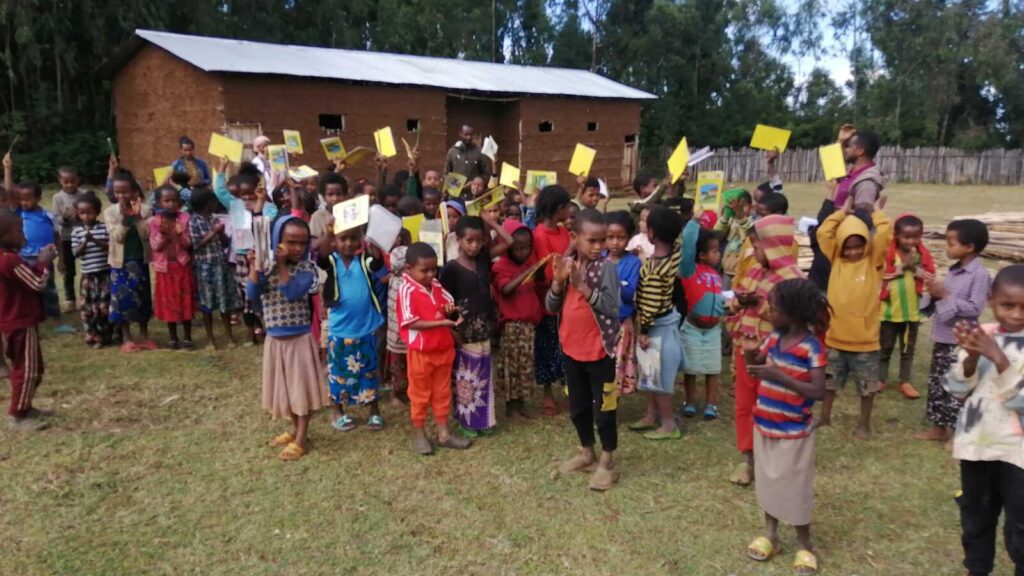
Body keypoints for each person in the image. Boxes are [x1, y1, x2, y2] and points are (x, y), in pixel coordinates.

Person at [743, 278, 829, 576]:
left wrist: (778, 375)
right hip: (765, 424)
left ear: (791, 313)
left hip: (794, 431)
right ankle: (771, 535)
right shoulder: (772, 339)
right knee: (768, 482)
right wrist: (749, 352)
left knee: (795, 487)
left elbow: (818, 391)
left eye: (774, 307)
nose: (769, 311)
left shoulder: (811, 347)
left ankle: (804, 544)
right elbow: (756, 368)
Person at [944, 264, 1024, 576]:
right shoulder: (982, 335)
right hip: (977, 446)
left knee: (1020, 524)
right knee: (976, 515)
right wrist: (973, 357)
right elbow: (957, 390)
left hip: (1017, 455)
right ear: (991, 300)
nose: (1016, 315)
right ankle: (976, 569)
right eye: (1008, 305)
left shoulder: (994, 343)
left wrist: (999, 358)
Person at [546, 209, 621, 491]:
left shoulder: (606, 269)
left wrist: (583, 287)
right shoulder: (566, 265)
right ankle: (586, 452)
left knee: (604, 409)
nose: (599, 247)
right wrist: (557, 283)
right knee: (577, 407)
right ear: (575, 238)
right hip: (571, 350)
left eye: (602, 241)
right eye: (592, 241)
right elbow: (550, 307)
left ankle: (607, 460)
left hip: (600, 353)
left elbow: (613, 307)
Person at [726, 214, 804, 486]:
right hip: (746, 348)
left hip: (777, 355)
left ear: (774, 246)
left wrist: (758, 303)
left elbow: (793, 321)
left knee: (773, 404)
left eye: (757, 247)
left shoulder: (793, 280)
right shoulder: (754, 271)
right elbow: (739, 298)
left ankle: (774, 459)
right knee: (745, 403)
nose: (754, 252)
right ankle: (746, 458)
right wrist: (737, 305)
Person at [248, 216, 328, 461]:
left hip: (299, 338)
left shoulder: (306, 269)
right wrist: (255, 266)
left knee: (301, 390)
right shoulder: (267, 265)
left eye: (302, 243)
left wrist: (281, 264)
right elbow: (252, 294)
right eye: (290, 242)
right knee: (286, 389)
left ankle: (302, 437)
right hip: (276, 339)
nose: (297, 248)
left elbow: (291, 292)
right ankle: (295, 429)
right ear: (277, 241)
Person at [815, 195, 891, 438]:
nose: (854, 251)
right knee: (829, 384)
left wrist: (877, 212)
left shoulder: (872, 262)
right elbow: (823, 233)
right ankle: (824, 417)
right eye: (848, 246)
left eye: (858, 245)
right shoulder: (836, 259)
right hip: (835, 338)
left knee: (867, 388)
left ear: (867, 244)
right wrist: (842, 211)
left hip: (866, 343)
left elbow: (886, 234)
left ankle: (864, 424)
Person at [917, 219, 992, 443]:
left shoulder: (979, 275)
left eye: (951, 243)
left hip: (962, 341)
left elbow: (975, 307)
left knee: (957, 386)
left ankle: (958, 435)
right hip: (943, 337)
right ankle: (938, 428)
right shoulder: (953, 271)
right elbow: (940, 299)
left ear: (969, 247)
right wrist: (932, 291)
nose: (946, 247)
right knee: (938, 382)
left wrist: (945, 296)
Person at [397, 242, 472, 455]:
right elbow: (410, 322)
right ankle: (419, 433)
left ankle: (443, 433)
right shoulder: (406, 290)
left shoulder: (437, 286)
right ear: (409, 269)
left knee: (442, 391)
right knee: (419, 394)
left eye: (434, 269)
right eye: (425, 270)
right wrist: (441, 323)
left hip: (443, 348)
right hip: (421, 351)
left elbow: (448, 304)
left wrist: (450, 310)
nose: (431, 274)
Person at [441, 215, 513, 437]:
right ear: (459, 240)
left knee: (483, 374)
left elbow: (509, 242)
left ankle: (483, 419)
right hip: (464, 332)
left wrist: (490, 223)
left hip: (484, 329)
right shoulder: (451, 268)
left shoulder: (483, 260)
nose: (474, 245)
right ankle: (466, 420)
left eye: (479, 240)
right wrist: (452, 330)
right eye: (469, 240)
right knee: (465, 377)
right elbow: (445, 302)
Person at [318, 224, 388, 432]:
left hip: (366, 328)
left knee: (368, 371)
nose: (349, 243)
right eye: (343, 239)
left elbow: (379, 267)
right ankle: (338, 411)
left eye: (353, 238)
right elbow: (320, 258)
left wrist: (372, 242)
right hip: (340, 329)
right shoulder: (332, 261)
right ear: (335, 242)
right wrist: (328, 232)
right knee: (338, 372)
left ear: (360, 239)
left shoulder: (364, 261)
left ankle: (374, 411)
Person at [630, 206, 685, 440]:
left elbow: (650, 306)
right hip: (667, 320)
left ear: (651, 233)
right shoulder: (675, 254)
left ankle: (669, 423)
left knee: (658, 376)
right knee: (649, 374)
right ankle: (651, 414)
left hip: (655, 327)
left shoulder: (653, 270)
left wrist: (644, 331)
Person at [0, 212, 56, 430]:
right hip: (20, 322)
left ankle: (26, 406)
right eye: (19, 230)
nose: (24, 234)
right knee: (28, 370)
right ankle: (18, 415)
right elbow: (36, 284)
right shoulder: (9, 260)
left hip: (15, 321)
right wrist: (44, 263)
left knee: (32, 367)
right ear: (4, 235)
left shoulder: (9, 256)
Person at [878, 214, 934, 399]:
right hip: (888, 312)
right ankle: (880, 379)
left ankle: (905, 381)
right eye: (906, 237)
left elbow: (928, 274)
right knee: (885, 347)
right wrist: (904, 266)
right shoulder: (888, 253)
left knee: (907, 349)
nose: (911, 241)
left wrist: (916, 269)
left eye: (916, 237)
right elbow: (883, 274)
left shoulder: (920, 254)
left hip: (911, 312)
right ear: (896, 236)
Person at [492, 220, 544, 419]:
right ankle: (511, 406)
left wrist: (536, 273)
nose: (523, 252)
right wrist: (525, 274)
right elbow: (505, 289)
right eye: (518, 248)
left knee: (525, 366)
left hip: (530, 324)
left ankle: (520, 403)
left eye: (527, 248)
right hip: (513, 326)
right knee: (512, 366)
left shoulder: (529, 263)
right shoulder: (502, 266)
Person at [531, 185, 574, 416]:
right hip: (548, 302)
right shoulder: (540, 235)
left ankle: (568, 390)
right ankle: (548, 394)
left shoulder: (562, 232)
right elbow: (549, 273)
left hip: (568, 301)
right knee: (547, 348)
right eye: (567, 206)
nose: (569, 210)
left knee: (566, 347)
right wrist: (570, 249)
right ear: (558, 209)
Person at [680, 211, 725, 420]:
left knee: (712, 368)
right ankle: (689, 402)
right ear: (701, 255)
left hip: (714, 329)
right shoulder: (689, 270)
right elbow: (688, 246)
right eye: (714, 251)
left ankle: (711, 404)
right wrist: (693, 223)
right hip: (692, 327)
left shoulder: (716, 275)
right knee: (690, 367)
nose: (719, 255)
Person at [105, 172, 156, 352]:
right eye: (117, 193)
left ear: (134, 191)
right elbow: (117, 238)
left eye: (125, 192)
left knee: (142, 297)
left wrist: (138, 218)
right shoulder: (110, 213)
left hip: (139, 260)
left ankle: (144, 334)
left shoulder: (146, 210)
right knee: (122, 299)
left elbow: (147, 235)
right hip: (120, 262)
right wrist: (126, 220)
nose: (121, 196)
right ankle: (126, 337)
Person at [188, 187, 241, 349]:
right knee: (207, 304)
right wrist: (213, 232)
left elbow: (225, 243)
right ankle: (210, 339)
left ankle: (229, 336)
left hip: (220, 265)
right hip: (204, 268)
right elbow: (195, 245)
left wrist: (222, 233)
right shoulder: (193, 221)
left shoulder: (214, 219)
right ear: (208, 203)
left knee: (225, 302)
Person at [149, 186, 194, 349]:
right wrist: (165, 235)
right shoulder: (154, 222)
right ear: (159, 202)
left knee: (185, 299)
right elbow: (156, 246)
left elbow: (188, 244)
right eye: (166, 200)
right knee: (168, 302)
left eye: (174, 200)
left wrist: (179, 234)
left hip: (182, 265)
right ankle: (173, 337)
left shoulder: (184, 218)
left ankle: (187, 337)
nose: (171, 204)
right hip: (164, 268)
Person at [605, 211, 641, 396]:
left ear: (629, 238)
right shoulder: (598, 259)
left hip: (621, 324)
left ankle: (613, 403)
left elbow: (629, 294)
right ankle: (598, 404)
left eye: (621, 237)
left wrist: (614, 281)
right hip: (598, 323)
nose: (615, 242)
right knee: (601, 365)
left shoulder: (633, 262)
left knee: (617, 364)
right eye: (610, 237)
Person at [70, 194, 112, 348]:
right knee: (88, 307)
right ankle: (92, 335)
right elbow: (75, 253)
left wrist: (95, 240)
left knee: (104, 306)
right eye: (82, 213)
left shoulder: (103, 228)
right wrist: (85, 241)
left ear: (97, 212)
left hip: (104, 274)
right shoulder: (76, 232)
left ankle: (106, 334)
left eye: (90, 212)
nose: (86, 216)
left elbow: (110, 248)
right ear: (77, 213)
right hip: (88, 276)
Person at [53, 166, 85, 312]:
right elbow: (56, 218)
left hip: (83, 235)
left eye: (73, 181)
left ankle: (85, 297)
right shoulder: (57, 198)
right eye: (66, 182)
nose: (70, 185)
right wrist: (64, 218)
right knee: (68, 270)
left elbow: (90, 211)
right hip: (66, 237)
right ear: (60, 181)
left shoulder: (83, 195)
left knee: (87, 268)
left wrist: (80, 215)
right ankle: (70, 299)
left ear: (77, 180)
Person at [384, 234, 411, 407]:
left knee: (403, 362)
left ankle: (403, 392)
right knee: (399, 362)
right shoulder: (402, 281)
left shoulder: (397, 279)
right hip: (399, 330)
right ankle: (396, 393)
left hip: (401, 329)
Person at [835, 131, 883, 210]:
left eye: (848, 146)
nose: (845, 150)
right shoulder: (849, 173)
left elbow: (862, 216)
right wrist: (840, 141)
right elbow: (831, 170)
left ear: (860, 151)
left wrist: (839, 212)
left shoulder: (866, 183)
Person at [715, 189, 753, 289]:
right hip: (727, 268)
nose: (738, 210)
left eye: (742, 206)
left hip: (743, 269)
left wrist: (740, 217)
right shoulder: (730, 220)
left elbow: (747, 234)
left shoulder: (752, 221)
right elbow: (716, 234)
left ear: (750, 206)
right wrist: (725, 217)